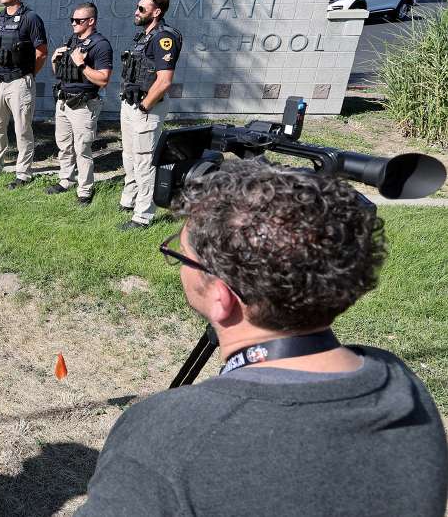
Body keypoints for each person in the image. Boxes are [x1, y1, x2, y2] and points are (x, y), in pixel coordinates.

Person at [77, 159, 448, 516]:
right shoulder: (401, 384)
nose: (176, 258)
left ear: (221, 298)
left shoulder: (168, 437)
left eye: (180, 253)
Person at [118, 0, 182, 230]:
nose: (136, 12)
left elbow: (164, 80)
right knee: (130, 156)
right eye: (137, 7)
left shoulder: (164, 37)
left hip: (146, 107)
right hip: (131, 103)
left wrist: (145, 106)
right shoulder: (144, 36)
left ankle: (143, 216)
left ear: (156, 12)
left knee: (145, 161)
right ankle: (130, 199)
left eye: (141, 9)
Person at [0, 0, 48, 189]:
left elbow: (42, 52)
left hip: (19, 82)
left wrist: (28, 75)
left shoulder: (31, 18)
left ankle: (23, 173)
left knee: (22, 128)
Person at [45, 2, 112, 203]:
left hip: (84, 105)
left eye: (78, 20)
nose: (73, 23)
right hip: (64, 101)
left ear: (91, 21)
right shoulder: (73, 40)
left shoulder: (101, 45)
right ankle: (66, 179)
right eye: (72, 20)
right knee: (64, 145)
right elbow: (62, 75)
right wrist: (54, 61)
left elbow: (103, 79)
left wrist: (81, 63)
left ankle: (85, 190)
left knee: (82, 149)